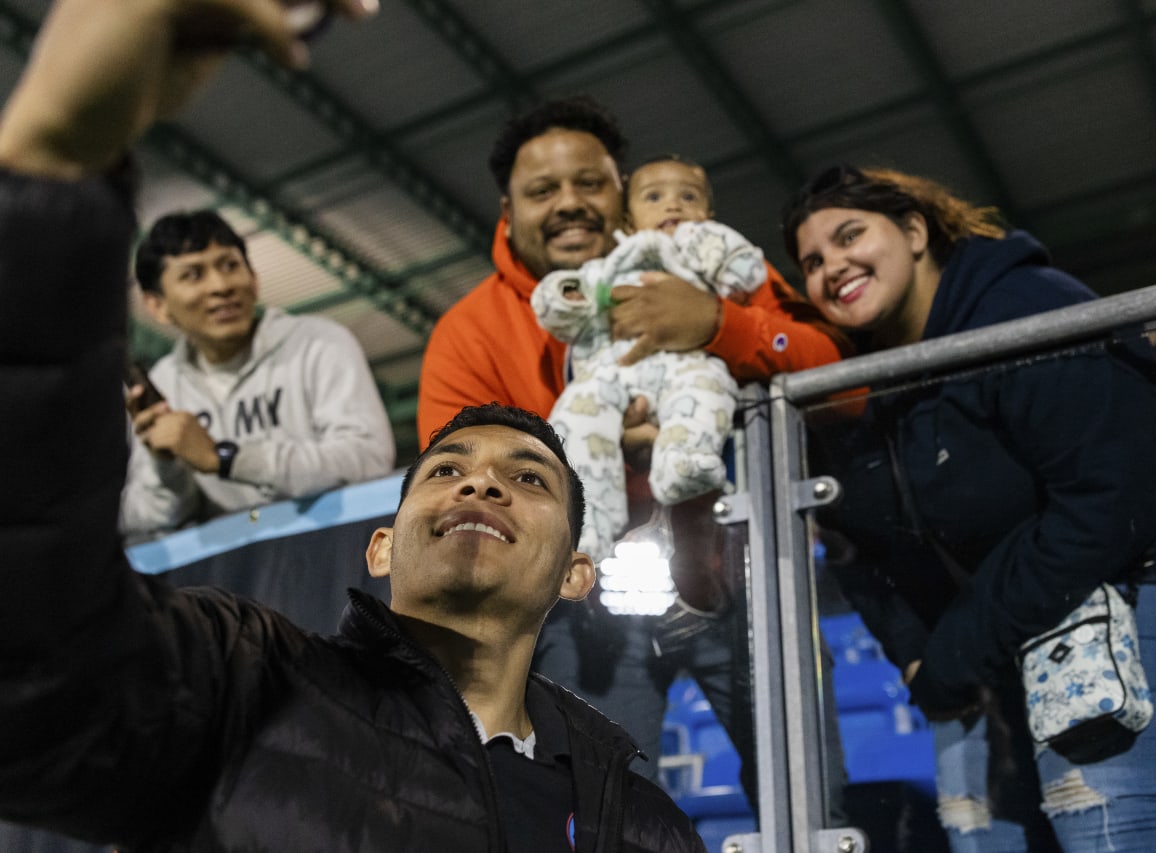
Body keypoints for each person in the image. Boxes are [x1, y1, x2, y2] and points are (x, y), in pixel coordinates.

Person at [0, 2, 706, 851]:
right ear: (379, 547)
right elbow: (37, 683)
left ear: (576, 573)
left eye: (528, 477)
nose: (480, 479)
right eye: (444, 470)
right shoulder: (246, 687)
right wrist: (51, 167)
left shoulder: (639, 824)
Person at [783, 164, 1156, 851]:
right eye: (811, 262)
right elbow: (856, 542)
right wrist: (917, 655)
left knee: (1104, 815)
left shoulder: (1027, 305)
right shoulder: (863, 384)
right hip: (1006, 619)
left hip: (1138, 573)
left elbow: (1111, 498)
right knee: (987, 837)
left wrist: (959, 645)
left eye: (850, 235)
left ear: (915, 230)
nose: (831, 268)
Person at [415, 97, 852, 815]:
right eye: (542, 190)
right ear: (507, 208)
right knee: (601, 818)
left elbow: (842, 379)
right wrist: (597, 454)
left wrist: (719, 323)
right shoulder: (470, 332)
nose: (569, 204)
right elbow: (453, 489)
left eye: (590, 183)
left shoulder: (702, 265)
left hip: (742, 577)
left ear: (623, 188)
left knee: (812, 801)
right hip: (580, 605)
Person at [532, 154, 767, 560]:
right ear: (628, 220)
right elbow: (562, 310)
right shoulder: (609, 265)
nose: (673, 205)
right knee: (574, 421)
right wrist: (567, 295)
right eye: (654, 196)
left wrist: (725, 253)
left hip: (687, 363)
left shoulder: (701, 249)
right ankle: (584, 525)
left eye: (688, 196)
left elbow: (746, 271)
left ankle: (685, 462)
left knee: (710, 392)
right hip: (616, 366)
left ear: (708, 213)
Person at [121, 208, 395, 537]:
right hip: (228, 576)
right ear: (157, 306)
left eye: (230, 265)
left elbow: (368, 460)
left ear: (254, 280)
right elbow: (150, 516)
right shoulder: (163, 388)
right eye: (193, 275)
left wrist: (227, 458)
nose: (221, 285)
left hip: (336, 552)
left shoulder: (318, 343)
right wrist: (165, 465)